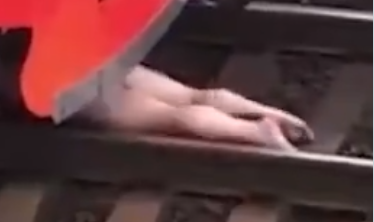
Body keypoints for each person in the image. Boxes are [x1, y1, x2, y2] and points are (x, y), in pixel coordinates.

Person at [86, 65, 314, 151]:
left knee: (168, 115)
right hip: (89, 47)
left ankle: (256, 131)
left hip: (70, 74)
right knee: (191, 95)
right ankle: (265, 113)